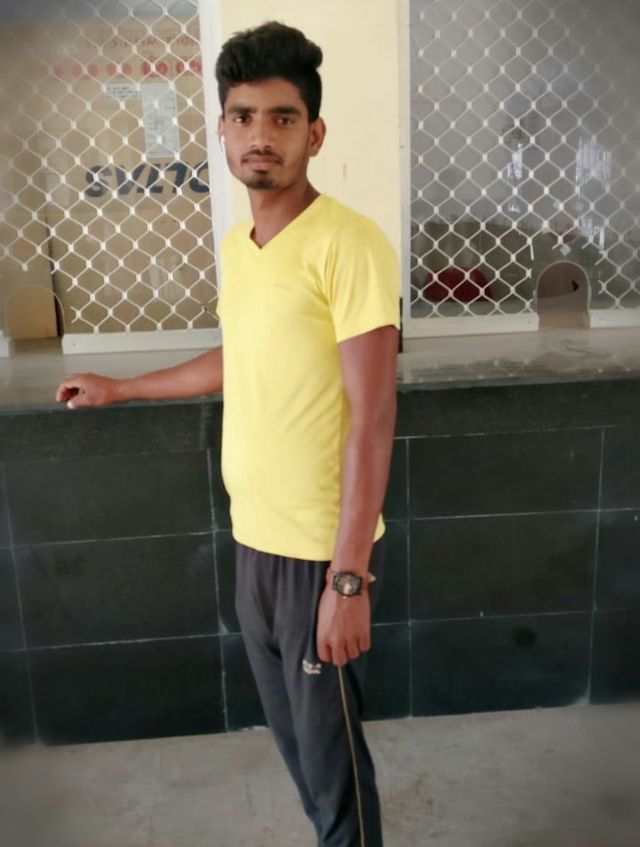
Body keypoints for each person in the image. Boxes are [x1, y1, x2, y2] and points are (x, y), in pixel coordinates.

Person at [55, 21, 400, 847]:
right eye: (243, 116)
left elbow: (374, 415)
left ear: (315, 133)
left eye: (283, 117)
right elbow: (240, 356)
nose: (260, 135)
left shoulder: (348, 244)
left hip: (317, 553)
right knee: (300, 750)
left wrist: (347, 579)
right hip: (255, 541)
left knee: (333, 764)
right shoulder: (240, 247)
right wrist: (121, 387)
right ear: (221, 129)